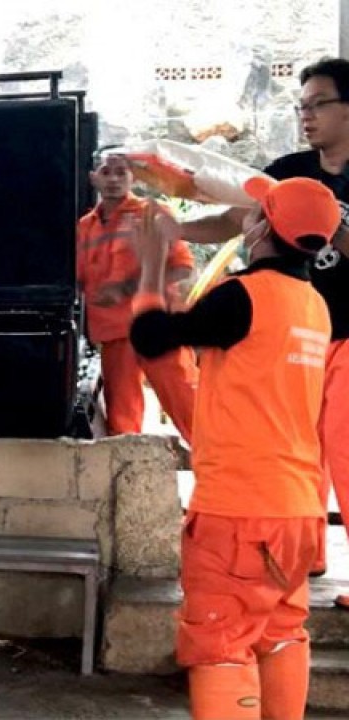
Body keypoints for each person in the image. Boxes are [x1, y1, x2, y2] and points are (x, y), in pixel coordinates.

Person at [130, 177, 338, 719]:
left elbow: (151, 338)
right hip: (297, 512)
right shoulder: (315, 305)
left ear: (263, 226)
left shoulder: (243, 297)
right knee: (281, 631)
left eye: (253, 212)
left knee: (220, 641)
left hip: (238, 512)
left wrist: (152, 264)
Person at [178, 58, 349, 587]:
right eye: (301, 106)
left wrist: (332, 227)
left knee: (344, 447)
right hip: (292, 335)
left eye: (319, 103)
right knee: (296, 446)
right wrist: (171, 229)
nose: (307, 115)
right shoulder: (288, 169)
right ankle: (306, 553)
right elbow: (235, 220)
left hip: (346, 334)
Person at [78, 149, 199, 441]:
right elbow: (78, 281)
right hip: (116, 339)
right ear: (93, 178)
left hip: (160, 330)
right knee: (122, 426)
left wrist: (128, 288)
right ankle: (128, 482)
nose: (114, 180)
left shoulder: (152, 215)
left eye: (121, 172)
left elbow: (183, 270)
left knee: (192, 410)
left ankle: (224, 469)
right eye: (106, 172)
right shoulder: (83, 228)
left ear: (134, 176)